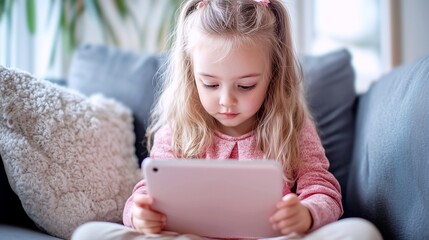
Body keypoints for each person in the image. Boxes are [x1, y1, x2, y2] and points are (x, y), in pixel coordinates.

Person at [72, 0, 382, 239]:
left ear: (273, 76)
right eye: (209, 83)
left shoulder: (291, 126)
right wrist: (139, 214)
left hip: (270, 238)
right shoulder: (179, 129)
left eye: (246, 85)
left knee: (360, 232)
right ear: (191, 76)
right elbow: (147, 192)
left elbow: (323, 188)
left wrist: (306, 213)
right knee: (89, 234)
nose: (226, 100)